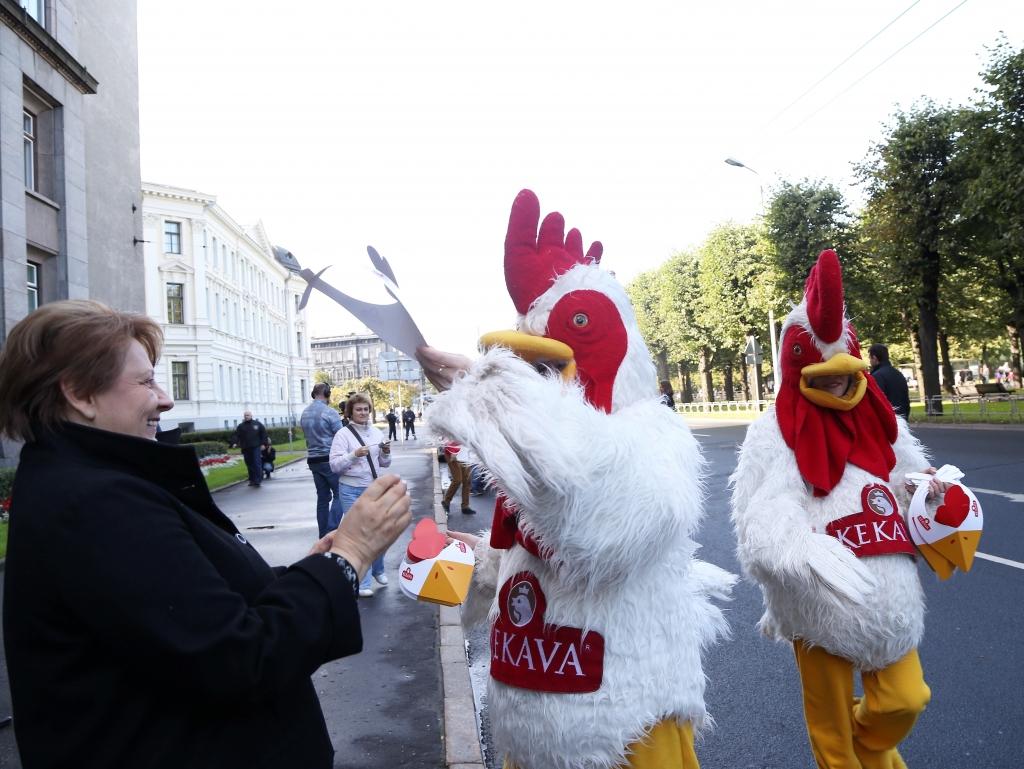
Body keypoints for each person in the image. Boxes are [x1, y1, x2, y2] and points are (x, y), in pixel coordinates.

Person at [0, 300, 412, 769]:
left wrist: (310, 570)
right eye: (144, 381)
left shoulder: (90, 481)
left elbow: (193, 603)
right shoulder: (95, 501)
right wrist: (350, 556)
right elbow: (238, 658)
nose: (164, 397)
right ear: (79, 393)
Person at [732, 251, 950, 769]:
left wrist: (925, 490)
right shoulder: (774, 432)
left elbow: (902, 477)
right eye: (821, 374)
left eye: (840, 371)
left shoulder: (876, 419)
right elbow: (755, 522)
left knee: (905, 698)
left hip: (884, 593)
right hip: (816, 599)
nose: (834, 381)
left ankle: (867, 741)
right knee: (830, 736)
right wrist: (801, 551)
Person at [330, 394, 393, 597]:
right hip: (351, 490)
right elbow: (335, 465)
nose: (363, 413)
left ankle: (378, 570)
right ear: (350, 412)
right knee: (360, 534)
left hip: (374, 488)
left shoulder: (376, 432)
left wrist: (385, 451)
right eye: (358, 409)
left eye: (366, 409)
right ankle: (362, 582)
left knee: (381, 531)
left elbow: (384, 463)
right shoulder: (342, 434)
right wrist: (353, 455)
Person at [301, 382, 344, 538]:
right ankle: (332, 531)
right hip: (329, 460)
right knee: (340, 494)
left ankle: (322, 535)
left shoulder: (304, 413)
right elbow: (341, 437)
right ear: (327, 393)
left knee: (323, 498)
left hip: (313, 461)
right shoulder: (330, 412)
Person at [868, 343, 911, 420]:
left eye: (870, 358)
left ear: (874, 358)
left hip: (888, 421)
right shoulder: (899, 374)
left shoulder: (876, 376)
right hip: (902, 419)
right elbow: (906, 400)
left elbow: (877, 403)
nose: (870, 362)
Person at [230, 410, 268, 487]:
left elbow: (264, 434)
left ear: (251, 416)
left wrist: (263, 444)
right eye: (245, 415)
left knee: (257, 463)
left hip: (256, 447)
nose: (246, 417)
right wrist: (234, 443)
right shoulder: (241, 426)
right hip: (246, 448)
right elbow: (236, 435)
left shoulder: (257, 424)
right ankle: (252, 480)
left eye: (248, 415)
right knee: (249, 464)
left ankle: (258, 480)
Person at [441, 441, 476, 515]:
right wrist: (452, 451)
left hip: (464, 454)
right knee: (458, 479)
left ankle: (465, 506)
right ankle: (446, 501)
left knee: (467, 480)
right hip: (454, 454)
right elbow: (446, 437)